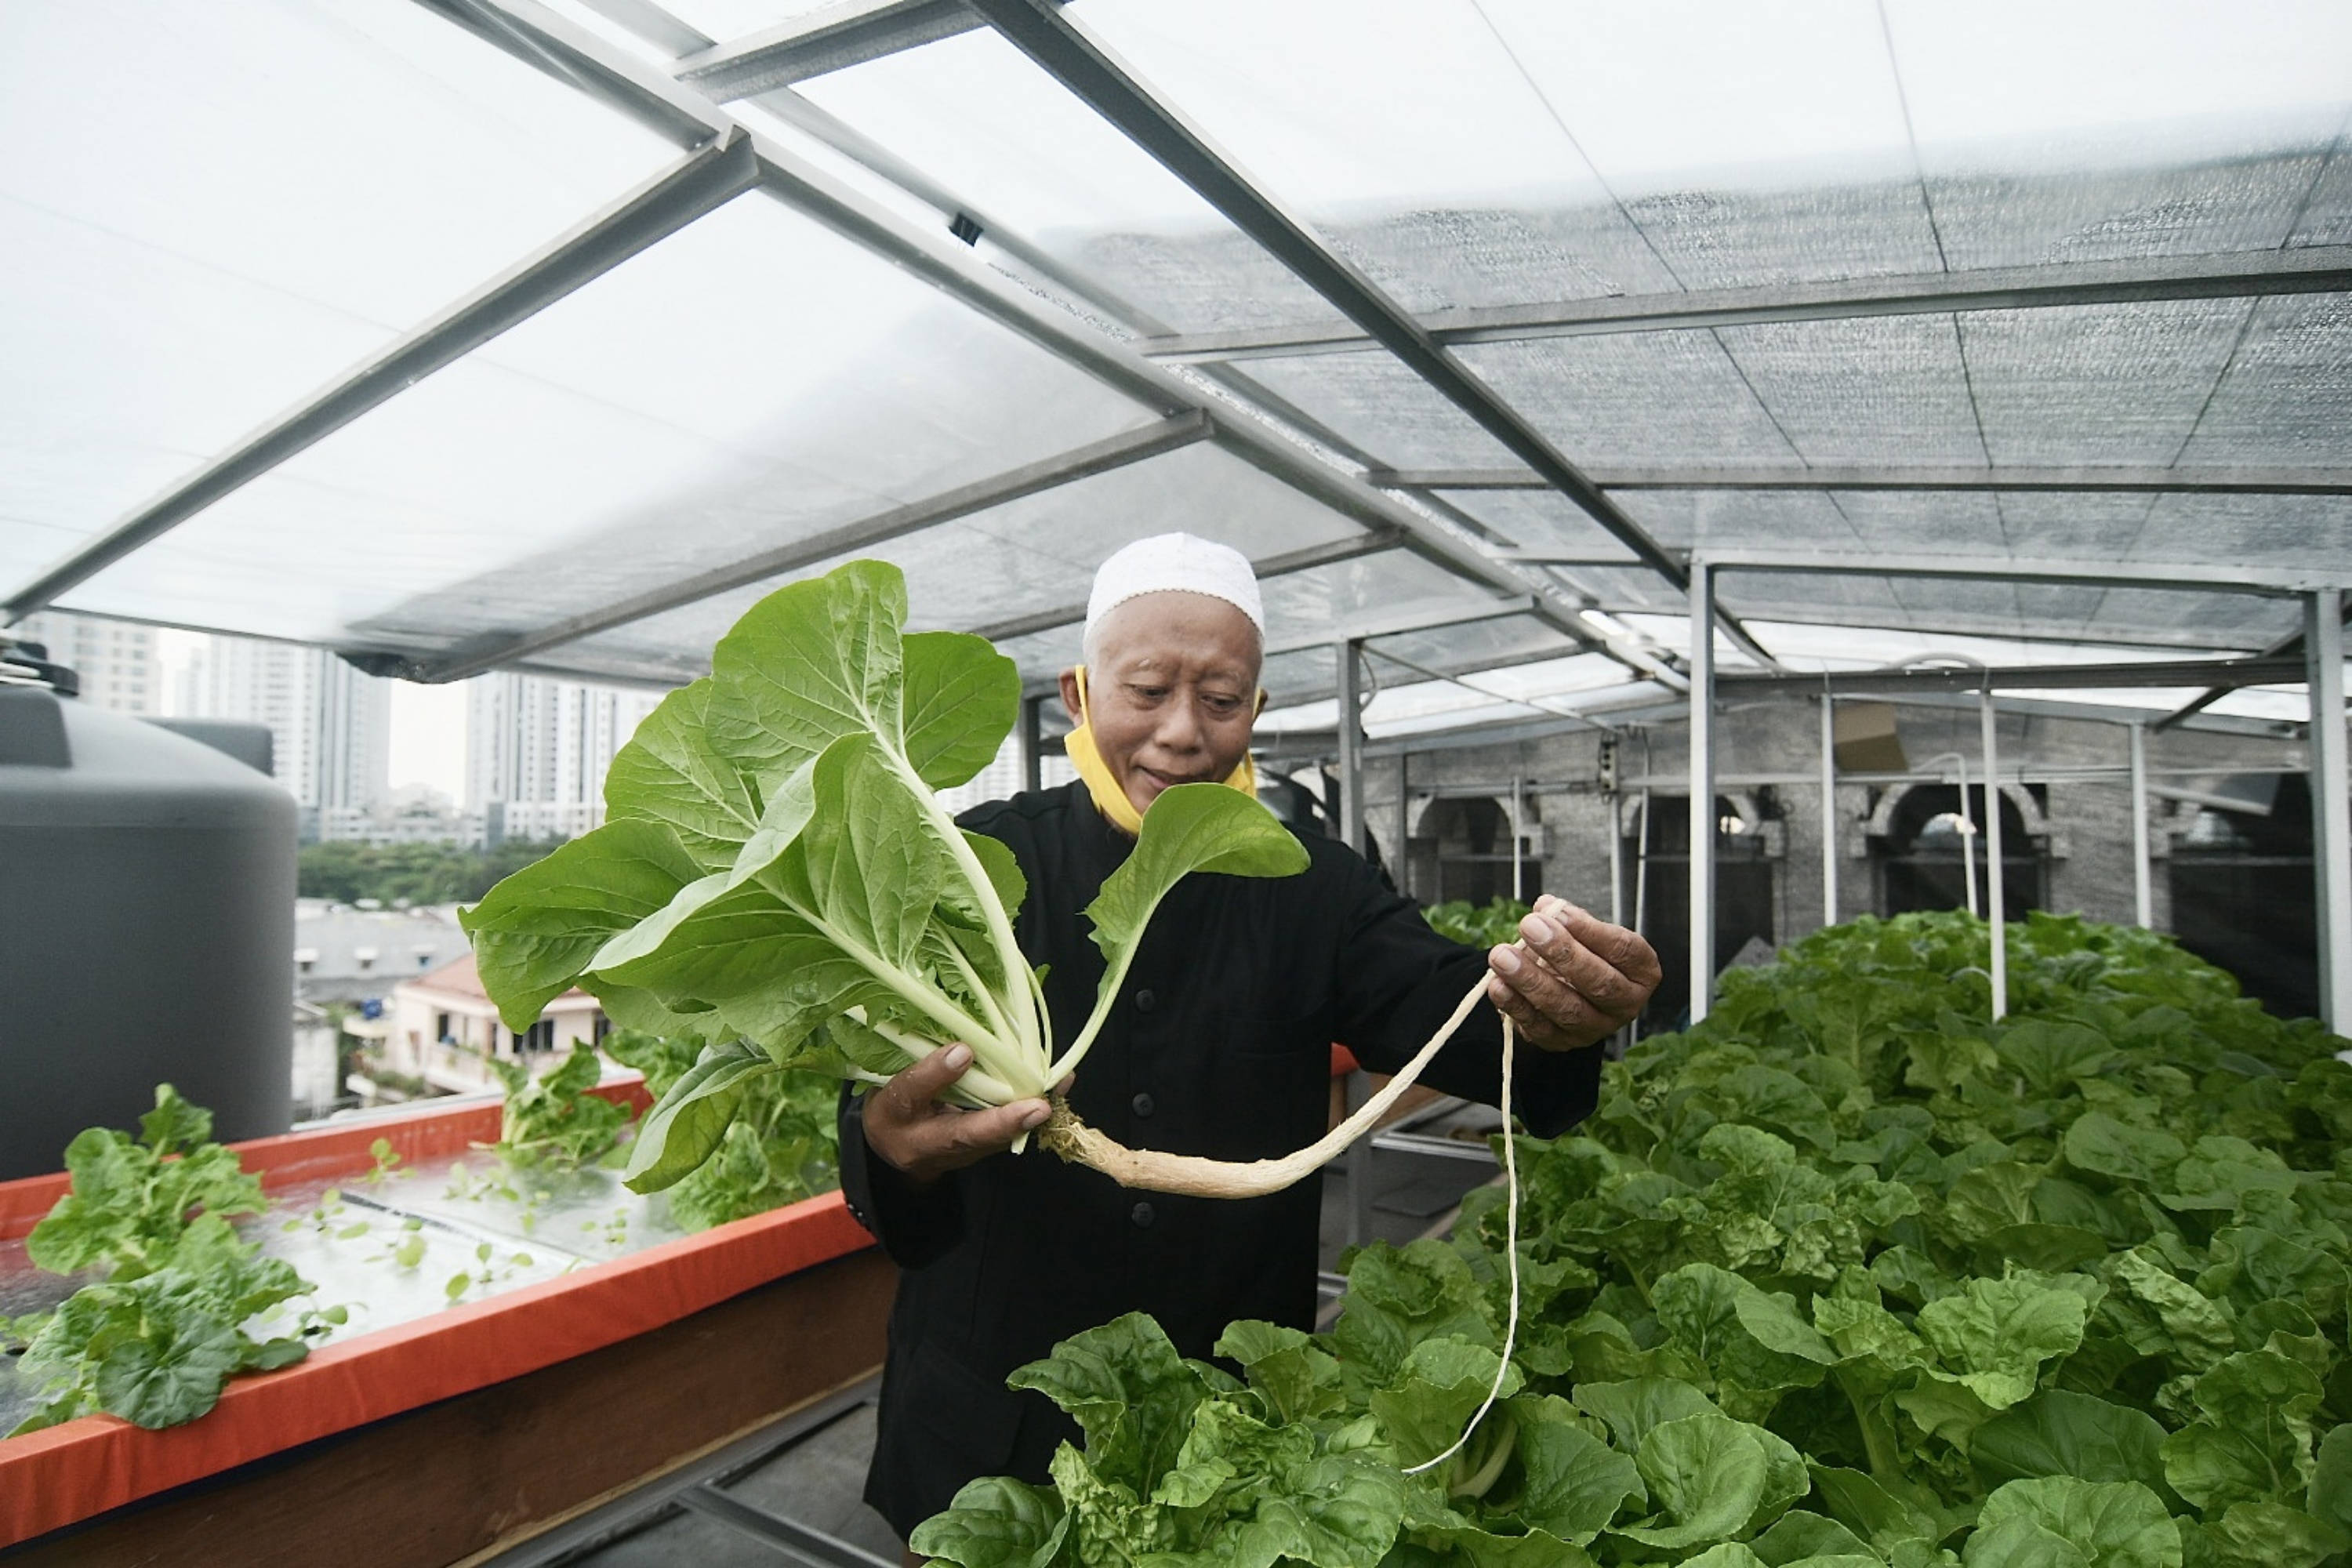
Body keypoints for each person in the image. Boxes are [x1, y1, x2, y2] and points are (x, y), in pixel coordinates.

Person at [837, 533, 1661, 1555]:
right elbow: (878, 1092)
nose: (1183, 734)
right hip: (990, 1418)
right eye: (1145, 691)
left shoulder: (1314, 883)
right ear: (1080, 693)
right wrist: (884, 1141)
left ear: (1258, 710)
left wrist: (1552, 1018)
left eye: (1221, 700)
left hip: (1220, 1417)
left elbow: (1446, 1010)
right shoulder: (976, 862)